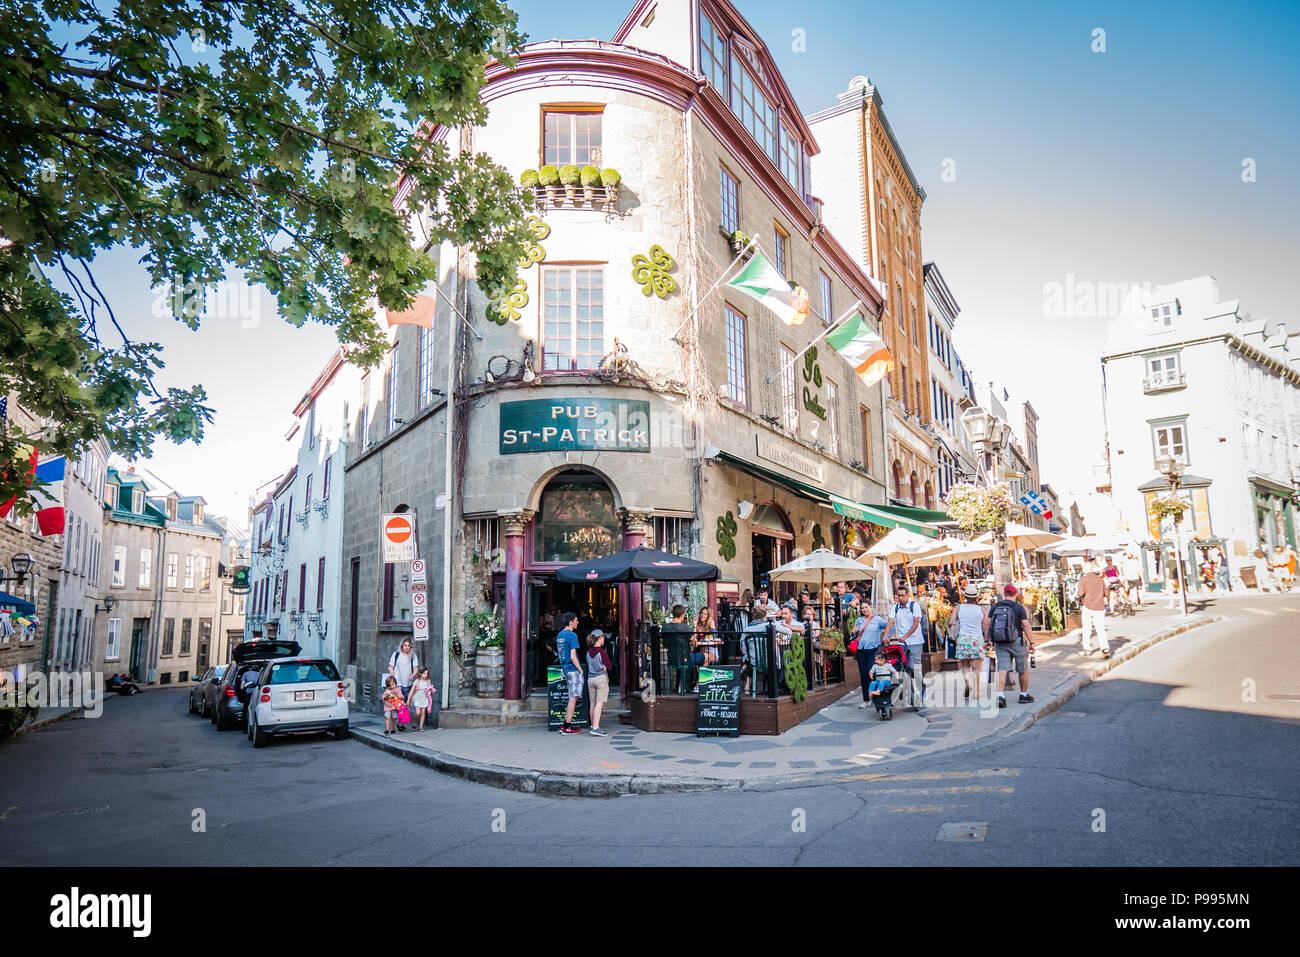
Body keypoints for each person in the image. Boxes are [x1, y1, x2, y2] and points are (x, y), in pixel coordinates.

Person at [990, 585, 1034, 707]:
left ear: (1004, 594)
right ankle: (1023, 695)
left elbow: (988, 623)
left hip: (1000, 642)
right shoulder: (1019, 607)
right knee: (1022, 668)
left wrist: (987, 639)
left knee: (1002, 668)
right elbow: (1026, 625)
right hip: (1016, 641)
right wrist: (1032, 642)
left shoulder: (996, 606)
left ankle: (1000, 696)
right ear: (1015, 594)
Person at [884, 584, 926, 709]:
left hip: (915, 642)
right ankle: (908, 693)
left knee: (914, 668)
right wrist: (886, 635)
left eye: (903, 595)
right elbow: (890, 621)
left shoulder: (914, 606)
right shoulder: (896, 607)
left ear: (908, 595)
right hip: (902, 644)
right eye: (899, 596)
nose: (901, 598)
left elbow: (916, 622)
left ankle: (921, 690)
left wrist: (906, 636)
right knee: (903, 669)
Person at [952, 584, 990, 701]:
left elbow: (951, 621)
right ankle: (976, 692)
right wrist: (986, 640)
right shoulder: (981, 610)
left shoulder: (958, 608)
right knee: (976, 668)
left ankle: (967, 684)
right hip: (976, 639)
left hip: (962, 639)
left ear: (965, 596)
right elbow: (986, 625)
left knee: (965, 666)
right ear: (976, 597)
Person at [852, 605, 890, 709]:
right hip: (861, 651)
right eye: (862, 608)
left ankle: (876, 697)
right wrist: (854, 632)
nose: (864, 609)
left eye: (866, 607)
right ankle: (866, 700)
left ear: (871, 607)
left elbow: (889, 627)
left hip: (873, 651)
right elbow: (853, 635)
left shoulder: (877, 619)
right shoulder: (859, 620)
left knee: (871, 674)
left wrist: (886, 637)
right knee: (863, 675)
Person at [555, 612, 585, 734]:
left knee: (572, 697)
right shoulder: (572, 635)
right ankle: (567, 726)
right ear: (571, 622)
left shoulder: (560, 635)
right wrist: (580, 669)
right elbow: (573, 656)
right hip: (573, 669)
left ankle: (565, 724)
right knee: (573, 698)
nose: (578, 622)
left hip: (565, 668)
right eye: (576, 620)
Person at [1076, 561, 1110, 658]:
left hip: (1088, 606)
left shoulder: (1083, 580)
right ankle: (1105, 647)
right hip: (1099, 606)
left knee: (1087, 628)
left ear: (1084, 569)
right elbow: (1106, 593)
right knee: (1100, 628)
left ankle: (1087, 649)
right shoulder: (1100, 579)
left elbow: (1080, 593)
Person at [585, 630, 613, 737]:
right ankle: (596, 728)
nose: (604, 640)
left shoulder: (588, 652)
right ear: (600, 638)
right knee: (599, 703)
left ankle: (593, 725)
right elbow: (609, 666)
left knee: (592, 703)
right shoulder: (601, 652)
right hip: (600, 678)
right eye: (603, 638)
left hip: (590, 679)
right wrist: (604, 667)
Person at [387, 637, 419, 710]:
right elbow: (390, 667)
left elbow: (416, 669)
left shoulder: (413, 656)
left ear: (411, 647)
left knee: (403, 705)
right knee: (396, 703)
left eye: (408, 646)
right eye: (405, 645)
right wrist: (391, 671)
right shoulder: (396, 654)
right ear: (402, 645)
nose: (406, 647)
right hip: (396, 683)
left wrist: (413, 675)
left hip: (407, 684)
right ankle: (396, 717)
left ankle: (401, 717)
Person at [406, 666, 435, 731]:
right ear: (420, 673)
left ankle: (421, 727)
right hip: (417, 698)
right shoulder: (417, 681)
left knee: (423, 713)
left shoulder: (428, 681)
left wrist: (430, 691)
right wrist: (408, 700)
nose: (426, 675)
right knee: (418, 713)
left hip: (424, 698)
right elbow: (411, 691)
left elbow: (430, 690)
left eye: (427, 673)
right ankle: (414, 722)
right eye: (424, 673)